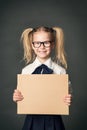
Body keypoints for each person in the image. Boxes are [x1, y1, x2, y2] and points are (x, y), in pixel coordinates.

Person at [13, 26, 72, 130]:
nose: (42, 47)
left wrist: (68, 99)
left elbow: (67, 94)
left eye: (46, 42)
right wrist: (17, 97)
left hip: (54, 120)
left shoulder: (60, 71)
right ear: (32, 45)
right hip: (32, 120)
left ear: (53, 44)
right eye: (37, 43)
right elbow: (20, 95)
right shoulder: (26, 71)